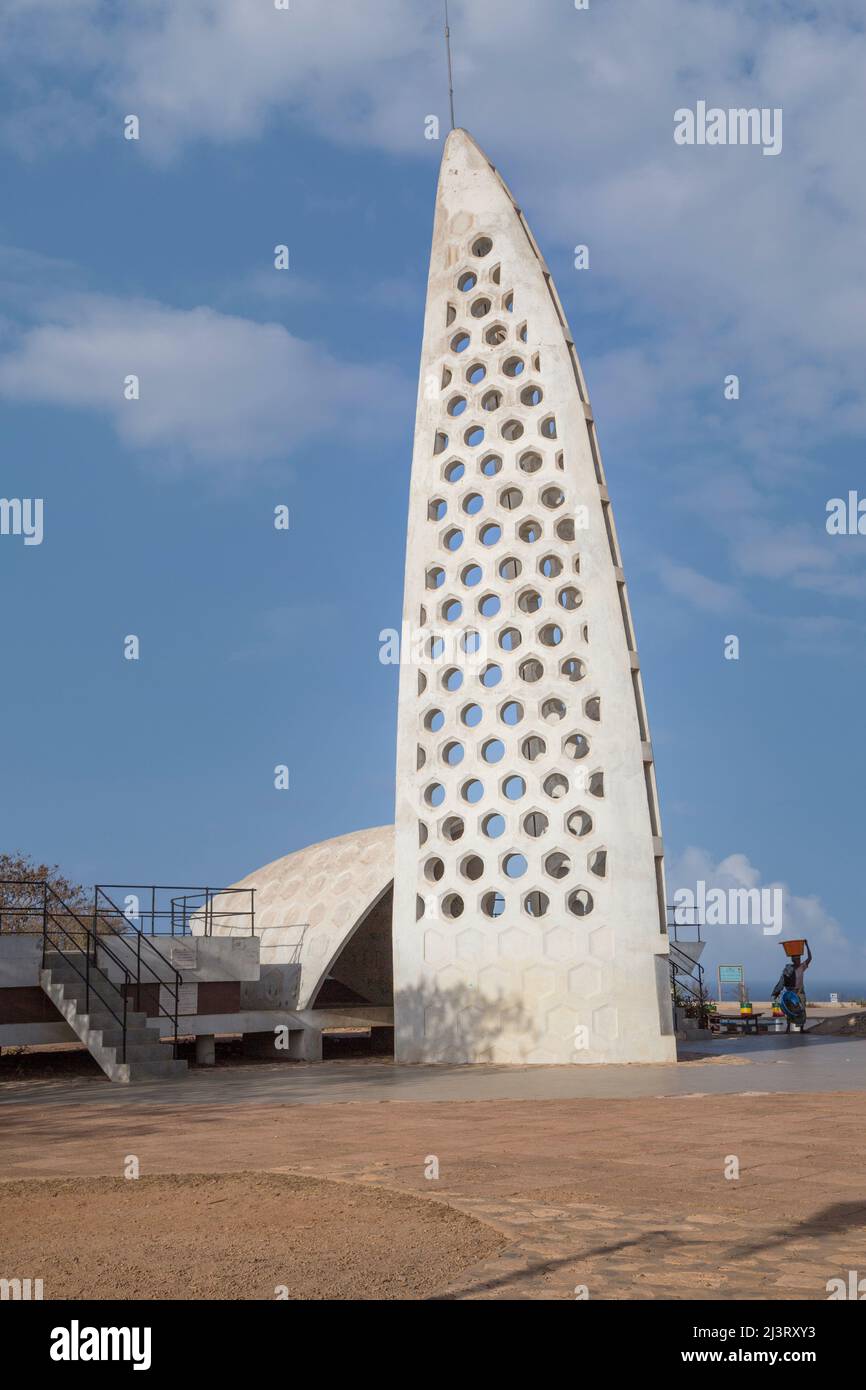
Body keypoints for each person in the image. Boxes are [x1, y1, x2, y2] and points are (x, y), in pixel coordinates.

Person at [772, 940, 812, 1032]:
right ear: (793, 960)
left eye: (799, 959)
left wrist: (807, 945)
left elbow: (810, 958)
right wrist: (777, 992)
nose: (798, 961)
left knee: (801, 1009)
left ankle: (801, 1029)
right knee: (789, 1009)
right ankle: (788, 1028)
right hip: (790, 992)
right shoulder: (788, 969)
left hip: (800, 991)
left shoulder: (802, 967)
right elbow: (782, 980)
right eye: (796, 959)